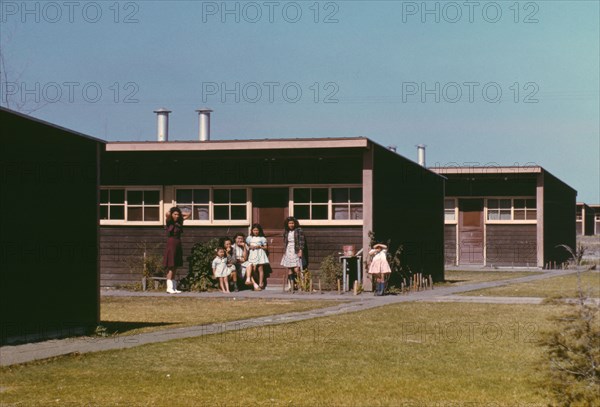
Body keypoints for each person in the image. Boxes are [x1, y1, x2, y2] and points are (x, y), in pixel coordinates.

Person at [280, 216, 308, 291]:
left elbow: (302, 241)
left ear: (295, 223)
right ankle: (291, 285)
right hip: (289, 250)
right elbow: (285, 242)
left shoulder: (299, 230)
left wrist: (300, 250)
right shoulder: (286, 231)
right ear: (287, 224)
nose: (291, 225)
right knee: (289, 269)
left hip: (296, 250)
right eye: (289, 223)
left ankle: (299, 284)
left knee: (297, 269)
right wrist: (284, 252)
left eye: (292, 223)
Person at [163, 207, 183, 294]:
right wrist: (172, 212)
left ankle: (174, 288)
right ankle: (169, 287)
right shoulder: (169, 221)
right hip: (171, 243)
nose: (177, 216)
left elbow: (188, 214)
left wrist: (179, 214)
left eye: (178, 214)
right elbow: (167, 214)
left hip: (178, 243)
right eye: (175, 214)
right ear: (172, 214)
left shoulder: (179, 222)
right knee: (170, 265)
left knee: (175, 265)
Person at [245, 224, 269, 290]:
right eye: (254, 230)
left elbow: (266, 247)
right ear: (252, 230)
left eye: (257, 230)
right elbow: (247, 246)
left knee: (260, 269)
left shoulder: (262, 238)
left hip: (260, 253)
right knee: (253, 269)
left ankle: (261, 283)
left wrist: (260, 246)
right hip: (252, 253)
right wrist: (250, 247)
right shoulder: (249, 238)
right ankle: (255, 282)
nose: (256, 232)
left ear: (259, 231)